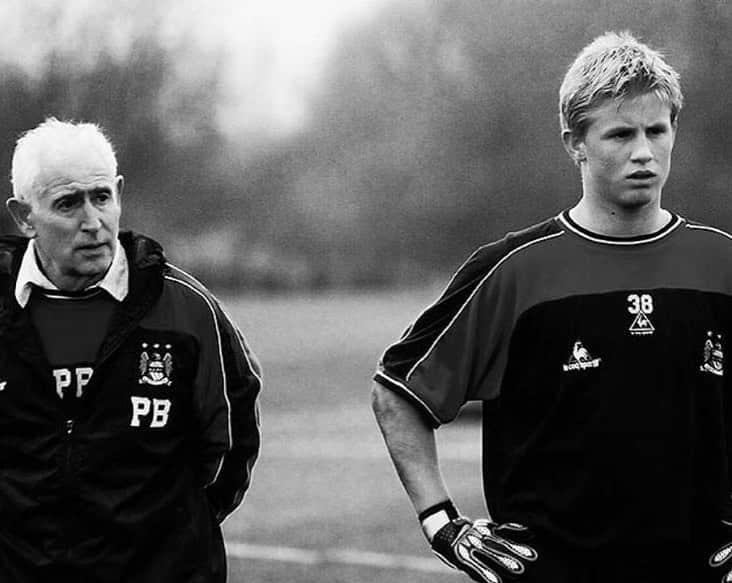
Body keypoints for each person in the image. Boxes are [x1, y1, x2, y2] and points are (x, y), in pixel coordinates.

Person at [371, 31, 732, 583]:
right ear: (574, 143)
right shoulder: (515, 268)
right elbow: (397, 393)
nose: (643, 151)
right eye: (619, 134)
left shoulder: (720, 260)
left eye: (657, 130)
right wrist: (441, 523)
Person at [0, 118, 262, 582]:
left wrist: (177, 532)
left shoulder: (186, 309)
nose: (93, 222)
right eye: (67, 204)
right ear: (24, 217)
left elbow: (232, 439)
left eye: (102, 197)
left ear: (118, 192)